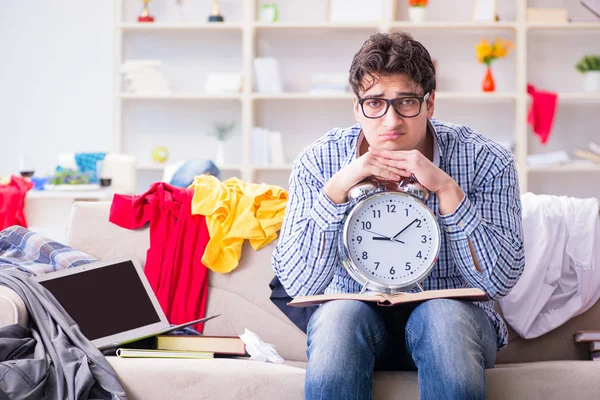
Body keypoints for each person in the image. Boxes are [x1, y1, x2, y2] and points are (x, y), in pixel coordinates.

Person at [271, 31, 525, 400]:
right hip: (354, 322)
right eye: (374, 103)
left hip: (455, 325)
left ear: (430, 103)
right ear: (357, 107)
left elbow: (500, 281)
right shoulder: (318, 162)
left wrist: (448, 190)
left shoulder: (487, 161)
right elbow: (297, 284)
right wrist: (337, 189)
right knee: (340, 319)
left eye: (406, 102)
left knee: (443, 318)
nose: (390, 121)